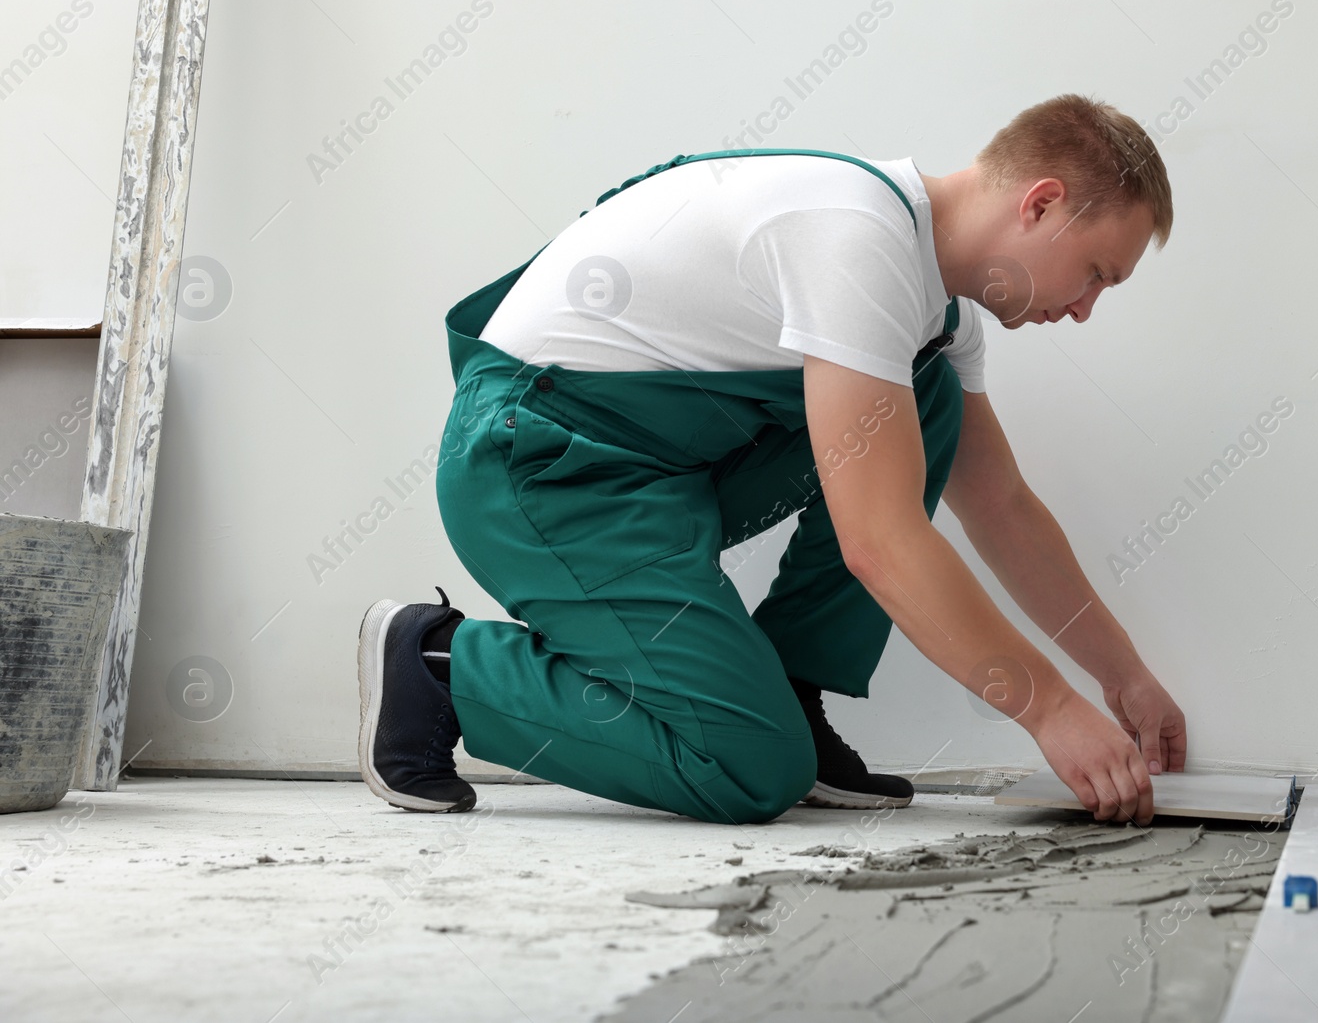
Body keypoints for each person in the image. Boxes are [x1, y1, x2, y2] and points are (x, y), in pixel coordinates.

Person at [356, 93, 1186, 827]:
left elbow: (1002, 506)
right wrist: (1049, 710)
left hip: (656, 472)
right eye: (1094, 275)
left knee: (925, 390)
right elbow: (880, 540)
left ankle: (786, 685)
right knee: (751, 767)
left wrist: (1124, 679)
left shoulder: (934, 309)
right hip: (536, 469)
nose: (1083, 310)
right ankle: (435, 667)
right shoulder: (858, 238)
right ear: (1041, 204)